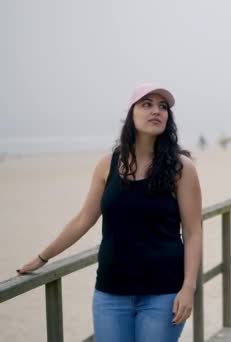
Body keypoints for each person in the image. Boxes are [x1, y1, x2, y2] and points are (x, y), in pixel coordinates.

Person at [17, 83, 203, 342]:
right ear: (131, 113)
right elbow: (83, 220)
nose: (156, 111)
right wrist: (42, 257)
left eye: (163, 107)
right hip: (111, 293)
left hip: (164, 292)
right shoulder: (108, 164)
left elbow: (194, 233)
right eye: (146, 104)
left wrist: (188, 288)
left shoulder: (182, 168)